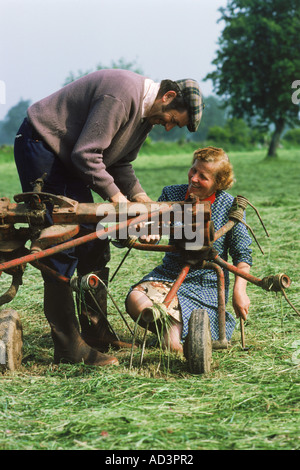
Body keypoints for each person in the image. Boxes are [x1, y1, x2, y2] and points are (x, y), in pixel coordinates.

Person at [13, 69, 204, 366]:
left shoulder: (145, 118)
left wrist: (140, 199)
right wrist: (118, 200)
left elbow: (120, 163)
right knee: (61, 243)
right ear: (167, 97)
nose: (168, 127)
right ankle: (68, 349)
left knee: (95, 241)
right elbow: (87, 155)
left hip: (68, 157)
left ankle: (96, 334)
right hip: (43, 147)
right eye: (172, 120)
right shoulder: (121, 94)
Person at [126, 147, 252, 353]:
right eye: (193, 170)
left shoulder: (228, 206)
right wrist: (150, 233)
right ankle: (170, 325)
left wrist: (240, 291)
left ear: (218, 183)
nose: (193, 178)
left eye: (203, 176)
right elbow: (156, 228)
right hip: (169, 275)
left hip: (206, 284)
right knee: (135, 300)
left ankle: (174, 332)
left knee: (173, 346)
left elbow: (242, 254)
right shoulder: (172, 193)